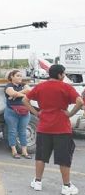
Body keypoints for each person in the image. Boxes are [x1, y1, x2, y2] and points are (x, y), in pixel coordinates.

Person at [23, 64, 84, 194]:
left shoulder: (40, 86)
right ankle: (66, 186)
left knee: (41, 156)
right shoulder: (66, 87)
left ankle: (38, 182)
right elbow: (79, 101)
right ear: (60, 74)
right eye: (64, 74)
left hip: (44, 127)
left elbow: (24, 100)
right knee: (64, 158)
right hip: (62, 128)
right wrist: (70, 114)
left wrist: (36, 113)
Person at [4, 70, 31, 159]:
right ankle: (14, 151)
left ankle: (24, 151)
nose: (20, 77)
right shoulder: (8, 86)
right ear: (12, 76)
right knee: (12, 131)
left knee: (23, 132)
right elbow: (12, 93)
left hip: (24, 112)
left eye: (21, 76)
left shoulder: (24, 85)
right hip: (12, 112)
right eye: (18, 75)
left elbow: (29, 91)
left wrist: (17, 95)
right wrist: (20, 94)